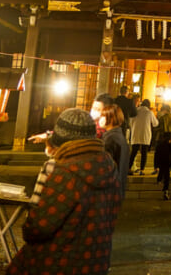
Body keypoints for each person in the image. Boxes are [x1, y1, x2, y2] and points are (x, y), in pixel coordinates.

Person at [6, 108, 121, 275]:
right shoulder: (109, 166)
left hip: (58, 262)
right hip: (97, 260)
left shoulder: (62, 169)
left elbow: (39, 226)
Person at [99, 103, 130, 202]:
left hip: (108, 191)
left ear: (111, 118)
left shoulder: (110, 139)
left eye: (103, 116)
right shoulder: (119, 137)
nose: (100, 118)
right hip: (117, 189)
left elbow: (105, 168)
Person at [129, 98, 160, 173]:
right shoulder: (149, 112)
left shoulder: (135, 111)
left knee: (133, 152)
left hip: (135, 134)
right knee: (144, 153)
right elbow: (156, 123)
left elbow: (130, 122)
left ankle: (128, 168)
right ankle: (142, 170)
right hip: (145, 135)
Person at [154, 131, 171, 199]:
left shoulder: (159, 146)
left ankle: (159, 180)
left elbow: (156, 156)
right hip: (167, 163)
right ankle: (165, 190)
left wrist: (156, 165)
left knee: (162, 173)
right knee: (167, 177)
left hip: (161, 163)